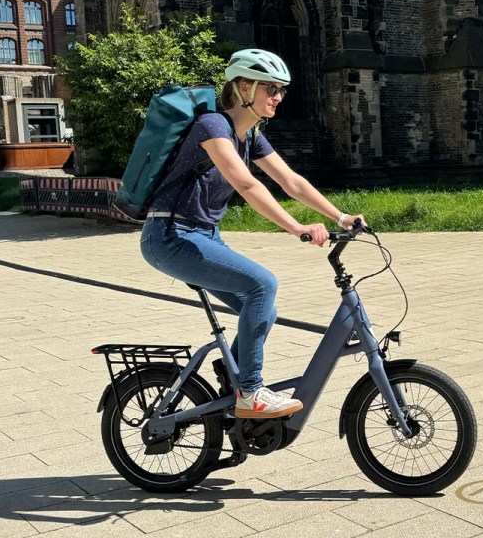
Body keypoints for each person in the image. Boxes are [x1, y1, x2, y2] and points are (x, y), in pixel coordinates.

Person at [140, 49, 364, 418]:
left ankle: (233, 382)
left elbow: (291, 182)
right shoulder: (212, 126)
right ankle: (251, 391)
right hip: (169, 235)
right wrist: (296, 227)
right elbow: (245, 184)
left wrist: (340, 216)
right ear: (244, 87)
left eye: (282, 91)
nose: (278, 97)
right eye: (271, 88)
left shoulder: (250, 136)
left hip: (202, 235)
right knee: (262, 285)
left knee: (262, 310)